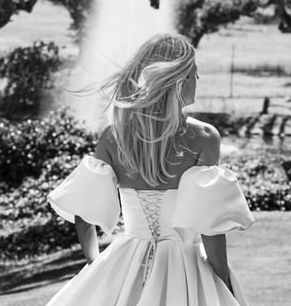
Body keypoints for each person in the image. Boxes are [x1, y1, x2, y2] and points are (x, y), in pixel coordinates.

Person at [45, 33, 254, 306]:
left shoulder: (113, 136)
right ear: (178, 81)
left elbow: (84, 216)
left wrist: (96, 265)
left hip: (125, 260)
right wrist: (223, 282)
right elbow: (209, 225)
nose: (198, 80)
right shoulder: (203, 136)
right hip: (186, 268)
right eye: (194, 74)